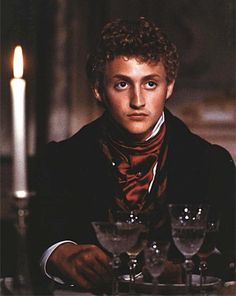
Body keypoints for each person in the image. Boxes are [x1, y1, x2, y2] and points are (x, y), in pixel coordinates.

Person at [28, 17, 235, 293]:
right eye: (122, 84)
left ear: (169, 87)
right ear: (99, 89)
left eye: (150, 84)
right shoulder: (59, 161)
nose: (137, 101)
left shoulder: (211, 163)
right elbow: (33, 242)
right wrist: (57, 254)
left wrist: (195, 267)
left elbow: (229, 253)